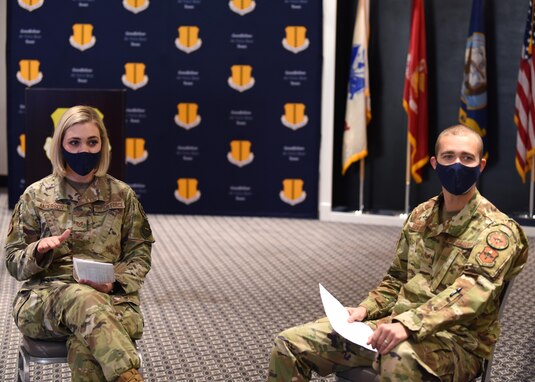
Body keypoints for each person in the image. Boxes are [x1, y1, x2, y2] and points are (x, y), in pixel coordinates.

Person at [268, 124, 528, 382]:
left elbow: (470, 295)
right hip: (394, 328)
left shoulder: (498, 231)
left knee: (395, 358)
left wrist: (408, 324)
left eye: (467, 158)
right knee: (290, 343)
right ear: (435, 163)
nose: (457, 164)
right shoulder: (420, 216)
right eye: (449, 156)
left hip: (456, 344)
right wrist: (364, 310)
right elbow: (396, 279)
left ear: (481, 166)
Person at [4, 105, 155, 382]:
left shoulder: (122, 195)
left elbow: (139, 254)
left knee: (89, 341)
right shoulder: (35, 195)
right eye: (74, 142)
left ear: (103, 146)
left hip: (112, 299)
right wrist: (37, 251)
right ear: (60, 146)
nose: (84, 149)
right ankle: (128, 375)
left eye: (92, 142)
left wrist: (115, 283)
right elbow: (13, 262)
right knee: (82, 298)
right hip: (46, 301)